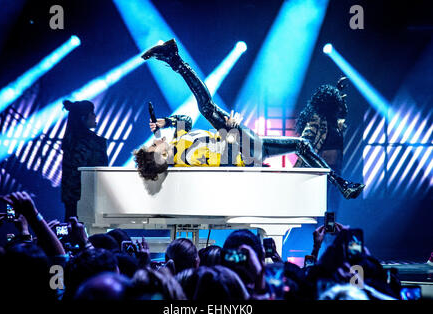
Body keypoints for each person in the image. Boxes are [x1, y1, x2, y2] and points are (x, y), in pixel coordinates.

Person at [136, 39, 364, 199]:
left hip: (250, 145)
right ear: (162, 155)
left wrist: (166, 122)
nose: (155, 140)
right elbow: (224, 161)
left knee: (301, 145)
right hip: (243, 151)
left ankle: (340, 184)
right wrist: (231, 131)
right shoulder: (187, 157)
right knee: (207, 109)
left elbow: (184, 119)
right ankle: (174, 58)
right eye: (154, 145)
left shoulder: (178, 143)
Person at [295, 79, 351, 210]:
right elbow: (304, 142)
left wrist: (339, 91)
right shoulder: (317, 119)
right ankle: (316, 229)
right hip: (321, 170)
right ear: (330, 103)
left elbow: (344, 112)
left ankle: (328, 230)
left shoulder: (336, 123)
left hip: (335, 169)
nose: (339, 105)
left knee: (333, 206)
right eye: (336, 102)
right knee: (320, 206)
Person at [61, 100, 108, 221]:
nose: (94, 115)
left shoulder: (70, 142)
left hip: (74, 199)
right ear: (83, 118)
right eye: (92, 113)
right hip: (87, 199)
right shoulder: (92, 143)